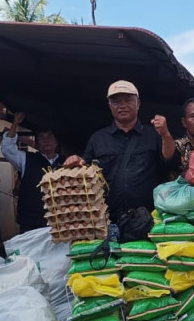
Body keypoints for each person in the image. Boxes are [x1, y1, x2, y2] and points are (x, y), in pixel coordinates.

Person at [63, 80, 174, 225]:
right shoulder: (98, 138)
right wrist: (75, 162)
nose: (122, 105)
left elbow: (169, 159)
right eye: (116, 102)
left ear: (138, 104)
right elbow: (85, 169)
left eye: (128, 100)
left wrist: (165, 134)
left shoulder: (153, 135)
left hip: (148, 218)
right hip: (108, 219)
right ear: (110, 106)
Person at [2, 113, 64, 233]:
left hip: (60, 225)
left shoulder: (66, 163)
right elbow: (7, 148)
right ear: (37, 143)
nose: (46, 140)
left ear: (57, 142)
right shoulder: (26, 159)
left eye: (49, 136)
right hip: (31, 224)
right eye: (41, 137)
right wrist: (15, 123)